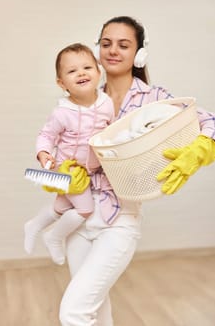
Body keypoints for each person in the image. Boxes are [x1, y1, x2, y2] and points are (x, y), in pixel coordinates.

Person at [57, 16, 215, 326]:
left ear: (138, 54)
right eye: (106, 43)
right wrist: (62, 175)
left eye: (123, 44)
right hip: (77, 221)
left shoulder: (155, 99)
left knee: (73, 312)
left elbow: (210, 122)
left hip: (119, 221)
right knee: (96, 313)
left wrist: (198, 152)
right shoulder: (85, 98)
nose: (113, 50)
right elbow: (61, 150)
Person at [24, 43, 115, 265]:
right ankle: (54, 236)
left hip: (90, 170)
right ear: (61, 83)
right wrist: (44, 153)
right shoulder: (62, 112)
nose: (81, 73)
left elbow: (111, 129)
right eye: (72, 71)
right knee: (84, 209)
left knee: (62, 207)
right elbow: (46, 136)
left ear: (98, 72)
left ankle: (34, 224)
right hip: (67, 168)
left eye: (87, 67)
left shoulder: (106, 103)